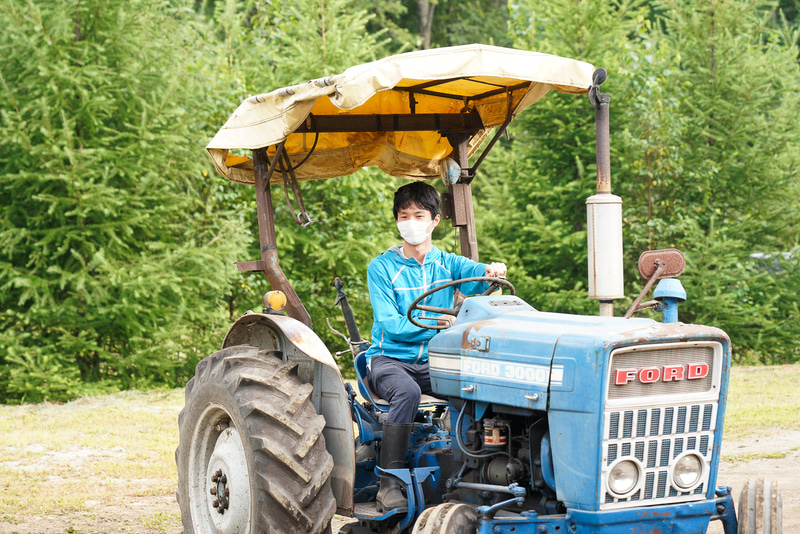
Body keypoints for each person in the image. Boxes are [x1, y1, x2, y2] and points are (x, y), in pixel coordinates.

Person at [365, 180, 506, 512]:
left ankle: (474, 470)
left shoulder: (447, 263)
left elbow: (478, 276)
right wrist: (437, 324)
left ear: (434, 220)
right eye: (404, 216)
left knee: (477, 387)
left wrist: (492, 270)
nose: (410, 222)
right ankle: (389, 482)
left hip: (434, 360)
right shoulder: (381, 267)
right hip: (390, 359)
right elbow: (390, 324)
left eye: (418, 215)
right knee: (407, 393)